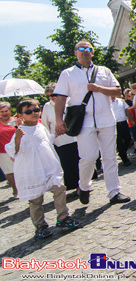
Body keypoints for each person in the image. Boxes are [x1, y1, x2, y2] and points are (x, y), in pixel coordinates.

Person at [54, 40, 131, 205]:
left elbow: (118, 91)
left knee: (110, 157)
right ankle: (84, 186)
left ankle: (114, 192)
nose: (85, 51)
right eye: (81, 48)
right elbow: (60, 98)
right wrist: (59, 120)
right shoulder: (67, 74)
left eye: (88, 48)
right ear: (75, 52)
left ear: (93, 52)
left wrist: (99, 88)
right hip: (83, 121)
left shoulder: (104, 71)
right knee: (88, 157)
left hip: (106, 119)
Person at [5, 99, 80, 239]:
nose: (34, 113)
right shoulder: (19, 132)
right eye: (28, 111)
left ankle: (63, 218)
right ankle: (40, 226)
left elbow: (46, 141)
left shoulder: (40, 126)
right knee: (36, 201)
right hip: (32, 170)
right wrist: (17, 139)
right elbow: (13, 153)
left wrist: (56, 134)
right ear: (20, 115)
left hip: (48, 167)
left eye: (36, 110)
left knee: (59, 189)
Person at [41, 83, 81, 190]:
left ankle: (83, 184)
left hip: (75, 137)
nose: (52, 97)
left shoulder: (69, 102)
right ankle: (75, 185)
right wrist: (50, 139)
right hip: (60, 141)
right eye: (49, 96)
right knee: (67, 164)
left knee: (79, 161)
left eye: (54, 94)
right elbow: (45, 124)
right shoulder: (47, 106)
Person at [0, 101, 17, 198]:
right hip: (3, 151)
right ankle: (15, 190)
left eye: (6, 111)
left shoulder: (16, 120)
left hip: (17, 149)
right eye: (2, 111)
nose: (4, 113)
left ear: (10, 110)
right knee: (10, 172)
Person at [111, 95, 133, 166]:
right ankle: (125, 159)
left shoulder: (121, 101)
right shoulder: (107, 102)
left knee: (128, 139)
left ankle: (122, 152)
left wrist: (131, 119)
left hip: (123, 122)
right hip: (115, 124)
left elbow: (126, 110)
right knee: (119, 142)